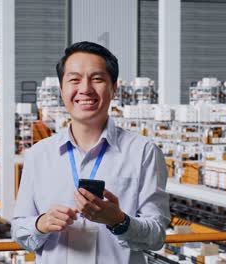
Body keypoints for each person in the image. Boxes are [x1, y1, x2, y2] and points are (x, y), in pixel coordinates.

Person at [12, 41, 170, 264]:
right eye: (74, 80)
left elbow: (156, 236)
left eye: (97, 79)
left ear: (114, 88)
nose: (85, 89)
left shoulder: (143, 152)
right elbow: (19, 230)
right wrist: (40, 224)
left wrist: (119, 221)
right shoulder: (39, 155)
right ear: (61, 90)